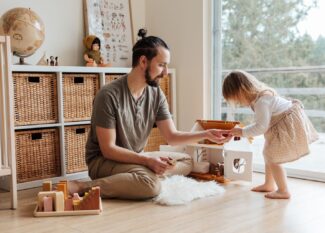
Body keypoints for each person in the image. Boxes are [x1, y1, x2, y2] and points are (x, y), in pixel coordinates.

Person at [68, 29, 232, 199]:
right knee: (151, 186)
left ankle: (136, 177)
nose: (166, 72)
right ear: (143, 61)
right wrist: (147, 162)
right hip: (104, 162)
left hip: (135, 158)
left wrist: (207, 134)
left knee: (185, 161)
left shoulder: (156, 94)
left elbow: (172, 137)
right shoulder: (108, 95)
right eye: (161, 65)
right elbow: (108, 150)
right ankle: (83, 187)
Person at [222, 70, 318, 199]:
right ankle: (269, 184)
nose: (240, 104)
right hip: (279, 123)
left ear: (242, 90)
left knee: (273, 157)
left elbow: (261, 127)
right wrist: (244, 130)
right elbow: (261, 122)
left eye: (238, 100)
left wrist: (242, 132)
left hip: (286, 125)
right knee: (268, 153)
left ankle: (283, 190)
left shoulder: (262, 102)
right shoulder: (261, 98)